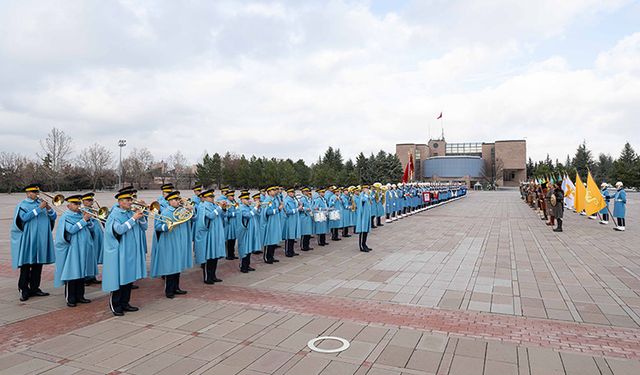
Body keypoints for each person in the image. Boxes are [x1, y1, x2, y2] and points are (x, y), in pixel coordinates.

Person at [102, 190, 147, 316]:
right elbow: (119, 230)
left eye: (130, 200)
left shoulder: (131, 212)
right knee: (119, 278)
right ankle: (115, 305)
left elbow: (144, 228)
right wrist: (133, 219)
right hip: (120, 251)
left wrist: (142, 217)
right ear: (120, 202)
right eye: (127, 200)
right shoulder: (114, 215)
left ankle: (125, 303)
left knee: (128, 277)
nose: (130, 202)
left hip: (131, 250)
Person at [11, 184, 56, 301]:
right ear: (28, 193)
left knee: (38, 264)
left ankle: (35, 288)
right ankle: (24, 289)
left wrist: (49, 209)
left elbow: (54, 216)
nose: (37, 195)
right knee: (26, 265)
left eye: (37, 192)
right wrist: (39, 209)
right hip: (29, 238)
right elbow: (24, 218)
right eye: (34, 192)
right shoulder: (23, 205)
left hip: (41, 238)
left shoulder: (41, 204)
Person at [151, 191, 192, 298]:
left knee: (177, 264)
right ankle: (169, 290)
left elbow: (192, 218)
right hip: (169, 241)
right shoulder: (165, 212)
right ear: (170, 201)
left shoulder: (181, 210)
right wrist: (166, 227)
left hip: (179, 240)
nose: (178, 201)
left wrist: (190, 210)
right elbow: (157, 226)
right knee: (171, 266)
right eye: (176, 200)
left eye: (178, 199)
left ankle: (176, 288)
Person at [54, 195, 93, 307]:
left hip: (83, 247)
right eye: (75, 204)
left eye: (79, 204)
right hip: (73, 248)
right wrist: (84, 220)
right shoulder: (66, 217)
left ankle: (80, 296)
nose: (78, 206)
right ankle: (70, 298)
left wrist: (89, 220)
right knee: (72, 272)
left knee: (81, 271)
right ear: (68, 205)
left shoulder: (81, 214)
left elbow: (90, 228)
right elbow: (71, 230)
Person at [194, 189, 225, 284]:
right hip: (209, 234)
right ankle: (207, 277)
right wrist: (219, 208)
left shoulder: (213, 205)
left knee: (214, 255)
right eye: (210, 197)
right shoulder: (202, 206)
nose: (212, 198)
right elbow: (211, 216)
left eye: (213, 196)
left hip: (216, 233)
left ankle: (213, 275)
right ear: (204, 198)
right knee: (209, 256)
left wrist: (223, 208)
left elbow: (222, 215)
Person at [81, 192, 103, 285]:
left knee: (93, 256)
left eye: (91, 200)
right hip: (89, 235)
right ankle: (85, 277)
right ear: (83, 201)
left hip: (97, 235)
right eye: (88, 200)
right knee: (87, 256)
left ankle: (92, 275)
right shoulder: (82, 210)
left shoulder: (93, 209)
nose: (91, 202)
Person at [237, 192, 260, 272]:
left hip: (250, 230)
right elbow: (248, 215)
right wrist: (256, 207)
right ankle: (243, 266)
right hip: (245, 231)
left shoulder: (248, 206)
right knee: (244, 248)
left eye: (248, 199)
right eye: (246, 199)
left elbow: (257, 213)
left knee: (249, 248)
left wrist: (256, 207)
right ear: (242, 200)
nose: (248, 200)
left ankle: (247, 265)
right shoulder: (241, 208)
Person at [262, 186, 282, 263]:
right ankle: (267, 257)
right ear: (269, 192)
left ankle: (271, 256)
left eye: (275, 190)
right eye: (273, 190)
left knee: (273, 239)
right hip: (270, 222)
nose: (275, 191)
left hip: (275, 220)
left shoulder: (275, 199)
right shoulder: (267, 200)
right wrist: (278, 209)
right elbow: (267, 212)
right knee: (269, 239)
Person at [283, 188, 301, 257]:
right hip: (289, 220)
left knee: (292, 236)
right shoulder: (286, 200)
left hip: (294, 220)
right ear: (288, 193)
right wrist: (297, 209)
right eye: (291, 192)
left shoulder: (293, 200)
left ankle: (292, 251)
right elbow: (287, 211)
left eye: (293, 192)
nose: (292, 194)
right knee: (289, 236)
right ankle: (288, 252)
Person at [355, 185, 373, 252]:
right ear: (363, 189)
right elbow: (363, 200)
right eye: (366, 188)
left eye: (367, 188)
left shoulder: (367, 195)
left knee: (366, 231)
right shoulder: (362, 195)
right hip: (363, 216)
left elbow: (370, 201)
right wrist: (365, 194)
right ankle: (361, 246)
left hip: (367, 215)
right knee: (363, 231)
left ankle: (365, 244)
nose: (367, 190)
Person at [223, 190, 239, 260]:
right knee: (229, 239)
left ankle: (232, 254)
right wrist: (234, 214)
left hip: (234, 222)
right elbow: (225, 214)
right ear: (228, 196)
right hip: (229, 223)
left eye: (233, 196)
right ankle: (228, 255)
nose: (233, 197)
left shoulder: (234, 202)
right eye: (231, 196)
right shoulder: (226, 203)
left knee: (233, 239)